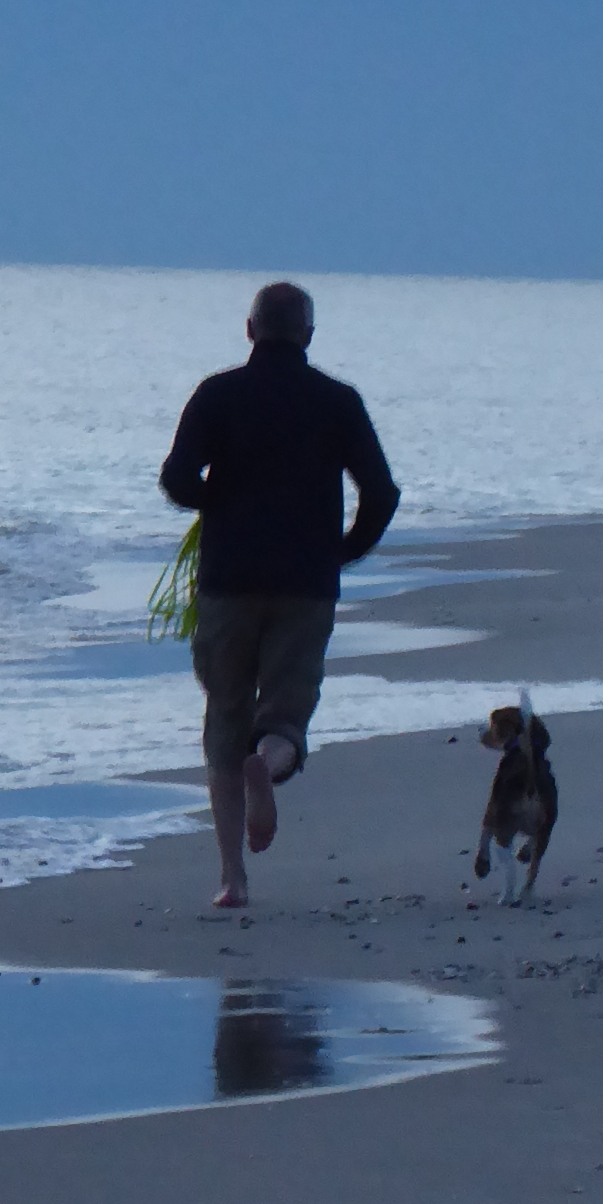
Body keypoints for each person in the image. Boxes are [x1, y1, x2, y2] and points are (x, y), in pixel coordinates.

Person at [159, 280, 400, 908]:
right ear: (308, 336)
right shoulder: (337, 402)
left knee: (225, 716)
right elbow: (382, 493)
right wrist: (344, 549)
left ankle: (231, 877)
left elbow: (176, 477)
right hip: (305, 584)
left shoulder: (217, 394)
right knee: (286, 713)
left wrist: (217, 504)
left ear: (250, 330)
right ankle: (266, 763)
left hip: (228, 580)